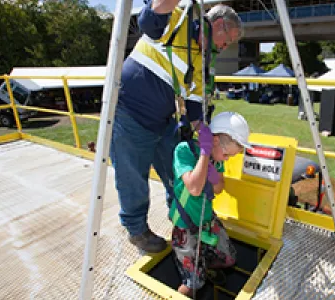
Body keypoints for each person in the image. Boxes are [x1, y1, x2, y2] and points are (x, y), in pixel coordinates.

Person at [109, 0, 244, 253]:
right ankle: (137, 231)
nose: (225, 48)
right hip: (130, 115)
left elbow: (194, 107)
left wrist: (208, 139)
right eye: (227, 40)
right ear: (218, 24)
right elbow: (150, 18)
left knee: (178, 174)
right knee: (132, 178)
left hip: (163, 121)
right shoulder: (176, 20)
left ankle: (183, 219)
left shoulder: (203, 62)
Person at [169, 112, 251, 297]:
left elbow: (219, 187)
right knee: (194, 283)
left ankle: (204, 266)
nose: (227, 159)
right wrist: (204, 154)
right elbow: (195, 189)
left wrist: (212, 171)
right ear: (214, 141)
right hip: (185, 224)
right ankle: (194, 277)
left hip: (206, 218)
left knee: (229, 258)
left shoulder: (216, 159)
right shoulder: (185, 151)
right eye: (227, 154)